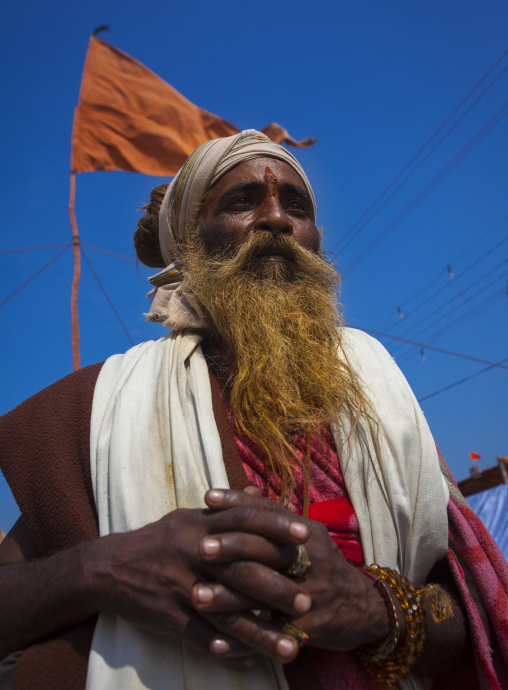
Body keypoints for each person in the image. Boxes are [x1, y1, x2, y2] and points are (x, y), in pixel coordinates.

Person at [0, 129, 507, 690]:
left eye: (297, 205)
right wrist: (105, 566)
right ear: (191, 244)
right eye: (243, 201)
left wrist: (375, 606)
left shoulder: (378, 387)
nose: (276, 218)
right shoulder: (104, 409)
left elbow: (476, 614)